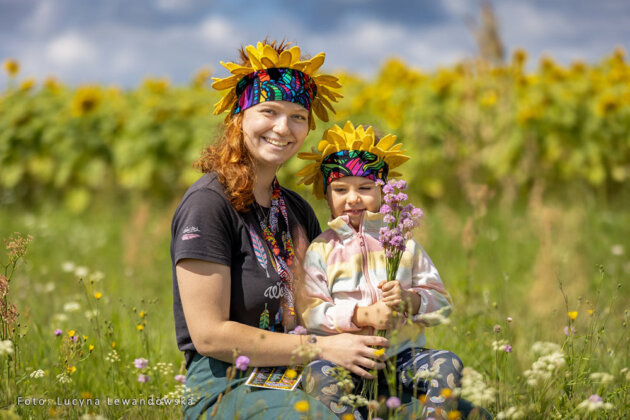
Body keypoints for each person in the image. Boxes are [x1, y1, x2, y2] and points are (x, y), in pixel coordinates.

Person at [170, 40, 390, 420]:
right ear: (238, 117)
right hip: (228, 382)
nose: (282, 128)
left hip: (302, 372)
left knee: (445, 405)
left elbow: (317, 310)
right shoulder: (209, 205)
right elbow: (209, 335)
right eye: (268, 111)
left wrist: (373, 311)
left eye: (297, 116)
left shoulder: (297, 210)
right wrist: (319, 350)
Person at [296, 122, 485, 419]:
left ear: (383, 192)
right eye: (341, 189)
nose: (353, 198)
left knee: (449, 363)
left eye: (365, 188)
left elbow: (443, 306)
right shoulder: (321, 251)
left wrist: (412, 300)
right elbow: (310, 314)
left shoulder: (404, 247)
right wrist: (360, 316)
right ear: (326, 195)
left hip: (404, 359)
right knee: (316, 375)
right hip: (347, 358)